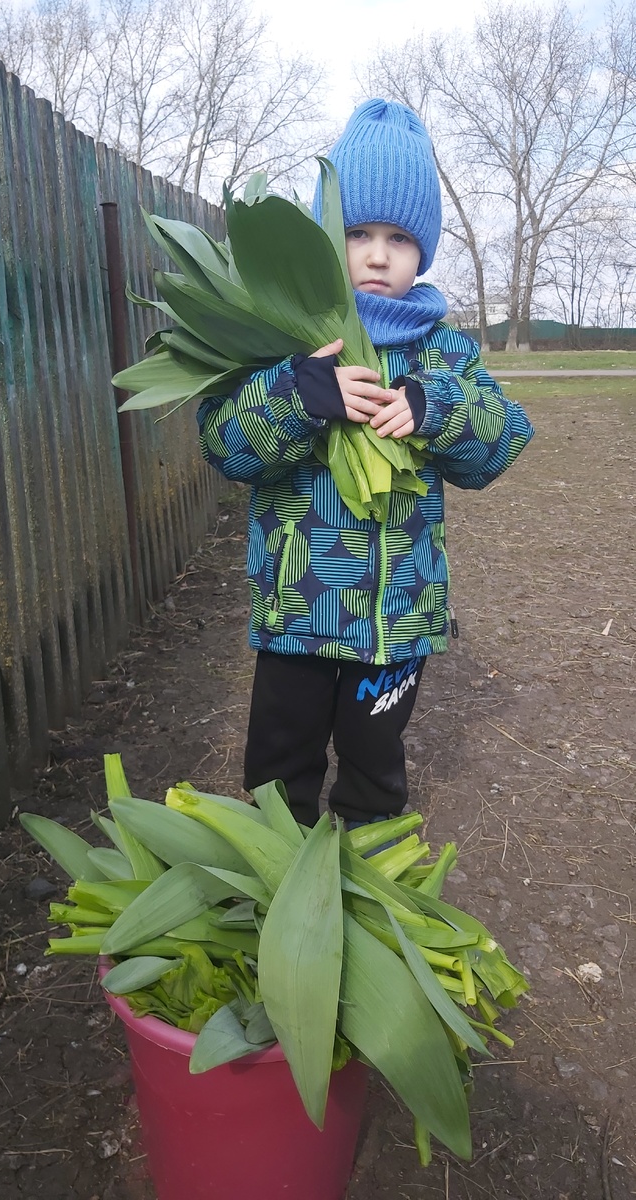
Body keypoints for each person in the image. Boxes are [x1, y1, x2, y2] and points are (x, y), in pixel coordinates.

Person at [197, 98, 534, 832]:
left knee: (375, 770)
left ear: (425, 249)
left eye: (399, 237)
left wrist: (432, 405)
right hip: (297, 613)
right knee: (277, 772)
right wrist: (296, 393)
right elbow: (224, 445)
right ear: (325, 237)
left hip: (399, 620)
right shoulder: (282, 341)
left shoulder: (442, 352)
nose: (378, 254)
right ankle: (279, 888)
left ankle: (369, 884)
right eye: (356, 233)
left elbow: (502, 440)